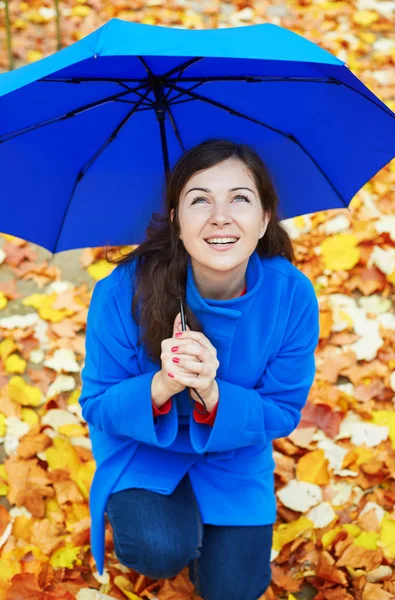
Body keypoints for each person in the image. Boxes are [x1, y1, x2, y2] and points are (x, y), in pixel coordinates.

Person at [79, 138, 320, 600]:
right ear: (176, 219)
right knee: (158, 550)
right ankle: (165, 526)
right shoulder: (121, 292)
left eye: (240, 199)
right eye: (199, 200)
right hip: (143, 446)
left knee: (235, 590)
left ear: (266, 217)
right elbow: (97, 405)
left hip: (234, 453)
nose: (220, 216)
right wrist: (162, 384)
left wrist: (213, 394)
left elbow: (283, 411)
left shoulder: (292, 296)